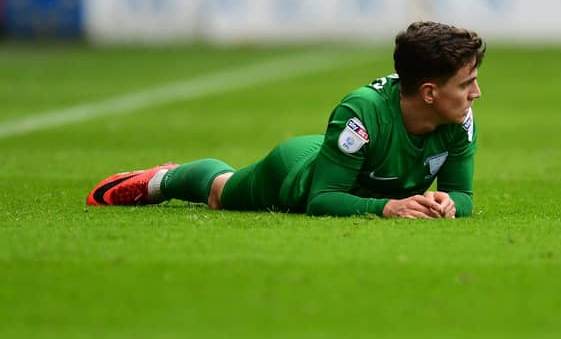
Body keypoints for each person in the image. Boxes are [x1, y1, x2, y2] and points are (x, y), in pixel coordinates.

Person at [87, 21, 485, 219]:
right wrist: (389, 208)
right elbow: (321, 199)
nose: (476, 94)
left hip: (343, 163)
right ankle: (167, 177)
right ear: (430, 92)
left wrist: (447, 203)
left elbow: (463, 196)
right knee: (220, 194)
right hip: (296, 174)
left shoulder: (460, 120)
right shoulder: (362, 112)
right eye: (466, 84)